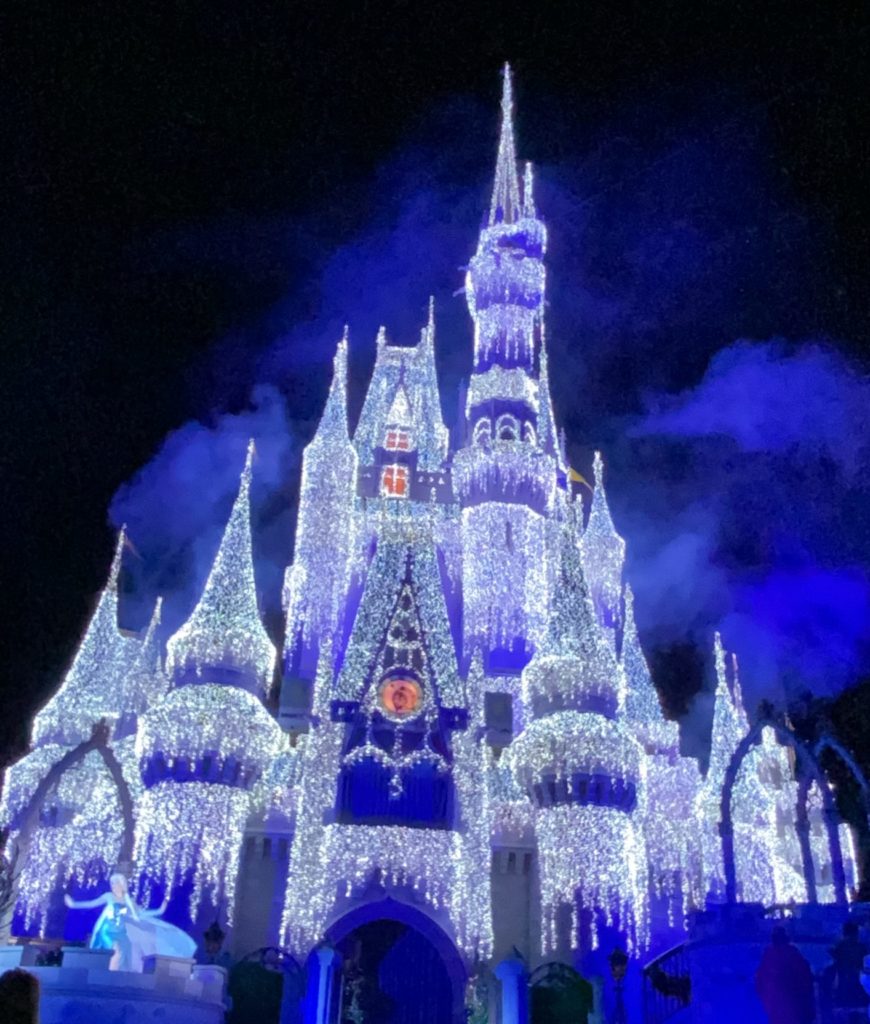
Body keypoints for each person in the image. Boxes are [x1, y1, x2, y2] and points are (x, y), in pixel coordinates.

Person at [64, 872, 197, 971]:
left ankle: (117, 975)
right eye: (112, 883)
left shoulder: (129, 900)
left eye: (116, 883)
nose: (113, 886)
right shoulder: (108, 896)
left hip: (122, 930)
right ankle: (106, 973)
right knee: (113, 950)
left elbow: (141, 914)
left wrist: (159, 911)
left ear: (122, 885)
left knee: (127, 951)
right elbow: (91, 904)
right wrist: (73, 904)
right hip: (108, 930)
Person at [755, 926, 816, 1024]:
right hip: (779, 1001)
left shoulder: (792, 953)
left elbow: (805, 976)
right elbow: (761, 977)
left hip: (790, 1000)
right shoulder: (771, 954)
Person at [829, 920, 868, 1020]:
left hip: (844, 989)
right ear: (856, 933)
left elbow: (832, 956)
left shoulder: (839, 946)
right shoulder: (861, 947)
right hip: (858, 988)